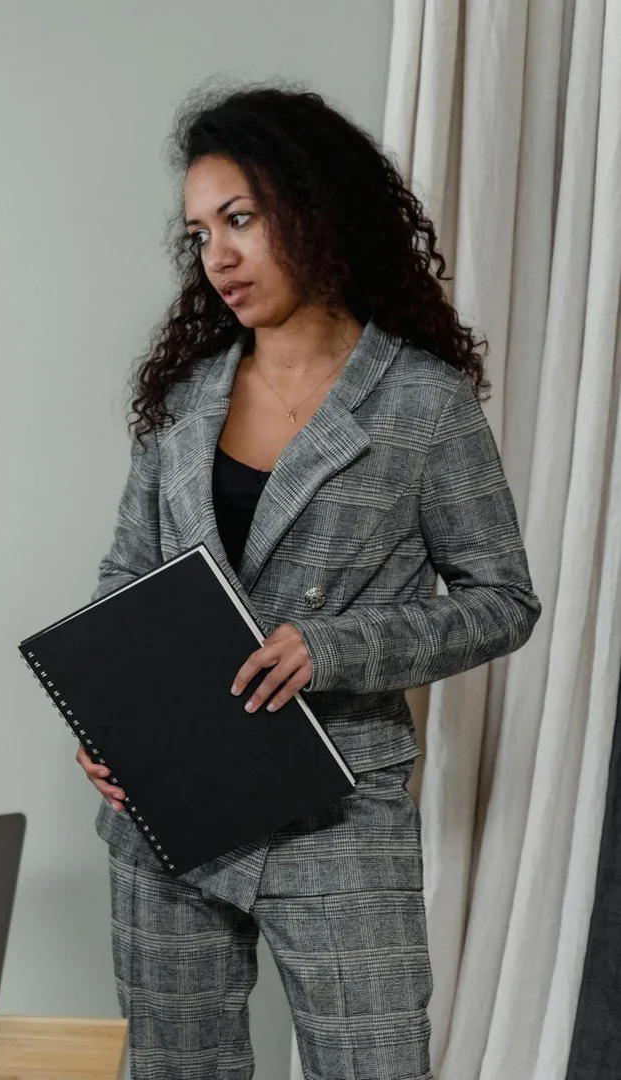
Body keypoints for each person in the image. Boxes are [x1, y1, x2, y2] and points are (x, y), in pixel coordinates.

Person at [79, 86, 541, 1079]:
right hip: (169, 806)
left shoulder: (422, 403)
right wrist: (107, 723)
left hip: (337, 808)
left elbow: (503, 600)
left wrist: (333, 647)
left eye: (241, 219)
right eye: (200, 233)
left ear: (316, 209)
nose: (218, 256)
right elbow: (129, 575)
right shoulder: (185, 397)